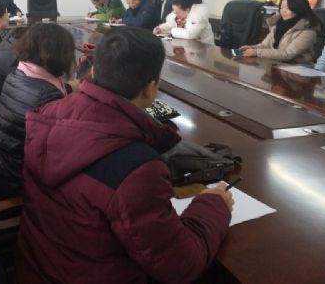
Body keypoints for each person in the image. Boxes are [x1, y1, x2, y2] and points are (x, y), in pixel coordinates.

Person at [16, 27, 232, 284]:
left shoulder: (48, 113)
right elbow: (180, 265)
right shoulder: (136, 168)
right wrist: (213, 205)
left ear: (94, 71)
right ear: (151, 88)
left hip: (36, 269)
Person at [0, 23, 77, 199]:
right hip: (19, 186)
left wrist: (69, 88)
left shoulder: (18, 74)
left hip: (1, 170)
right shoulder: (47, 96)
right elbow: (60, 152)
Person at [241, 0, 320, 63]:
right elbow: (265, 45)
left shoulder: (308, 31)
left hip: (297, 68)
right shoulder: (277, 24)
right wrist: (252, 48)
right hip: (276, 64)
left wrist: (256, 52)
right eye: (282, 8)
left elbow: (287, 54)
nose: (283, 11)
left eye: (288, 8)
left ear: (299, 9)